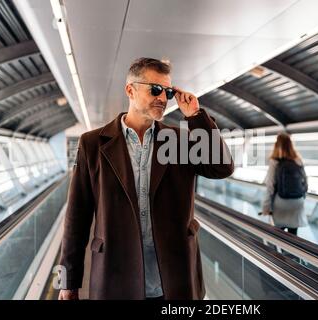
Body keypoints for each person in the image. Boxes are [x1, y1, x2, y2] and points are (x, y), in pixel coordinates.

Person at [58, 58, 234, 300]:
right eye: (155, 89)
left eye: (168, 92)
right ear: (130, 90)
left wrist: (196, 116)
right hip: (116, 277)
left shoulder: (179, 142)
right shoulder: (92, 144)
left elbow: (222, 167)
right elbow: (76, 218)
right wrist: (66, 282)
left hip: (174, 279)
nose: (162, 98)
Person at [260, 133, 308, 236]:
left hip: (281, 202)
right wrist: (301, 198)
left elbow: (270, 186)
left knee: (278, 234)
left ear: (277, 144)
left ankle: (278, 251)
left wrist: (266, 207)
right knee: (293, 234)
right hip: (297, 202)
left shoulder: (274, 161)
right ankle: (293, 251)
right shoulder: (298, 160)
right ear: (291, 144)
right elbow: (305, 182)